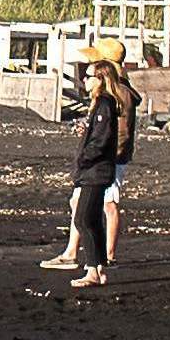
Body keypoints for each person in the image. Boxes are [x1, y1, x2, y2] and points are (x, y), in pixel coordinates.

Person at [47, 50, 138, 287]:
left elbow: (107, 138)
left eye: (89, 76)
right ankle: (97, 267)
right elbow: (101, 135)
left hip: (98, 169)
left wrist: (85, 159)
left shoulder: (107, 103)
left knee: (86, 218)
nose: (84, 80)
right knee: (89, 217)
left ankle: (94, 267)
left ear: (101, 77)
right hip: (98, 167)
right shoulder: (104, 103)